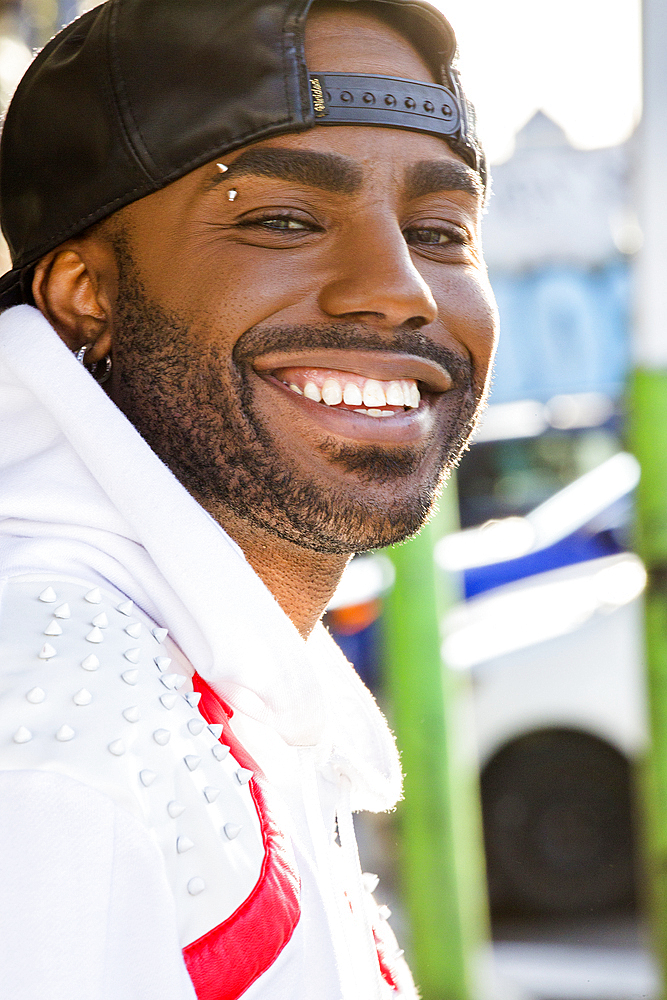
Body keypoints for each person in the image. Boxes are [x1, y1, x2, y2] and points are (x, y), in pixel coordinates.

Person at [0, 0, 497, 997]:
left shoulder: (190, 667)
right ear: (81, 291)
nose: (397, 289)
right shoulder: (60, 724)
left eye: (440, 231)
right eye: (282, 219)